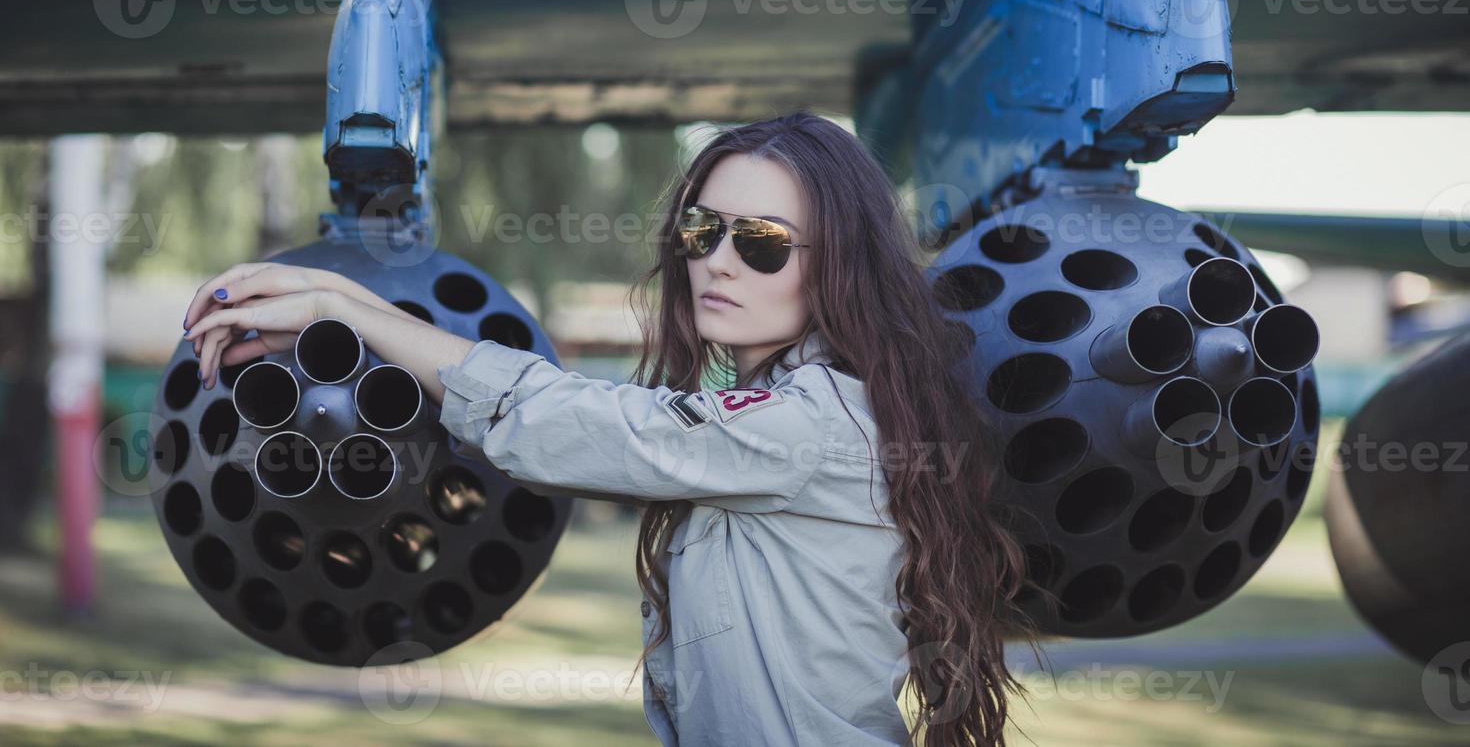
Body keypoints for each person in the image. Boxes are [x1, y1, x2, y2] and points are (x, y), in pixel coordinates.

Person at [182, 111, 1044, 745]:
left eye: (766, 243)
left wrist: (342, 305)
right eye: (702, 230)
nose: (718, 262)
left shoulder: (806, 425)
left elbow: (563, 420)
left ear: (838, 266)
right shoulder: (777, 416)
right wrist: (355, 308)